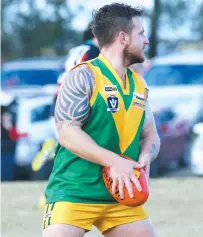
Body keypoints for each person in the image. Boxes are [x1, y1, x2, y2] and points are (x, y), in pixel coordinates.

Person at [43, 3, 161, 237]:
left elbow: (150, 134)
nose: (146, 41)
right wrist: (115, 162)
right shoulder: (82, 76)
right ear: (123, 38)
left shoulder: (139, 84)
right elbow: (67, 132)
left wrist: (147, 154)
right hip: (74, 190)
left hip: (122, 193)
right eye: (141, 34)